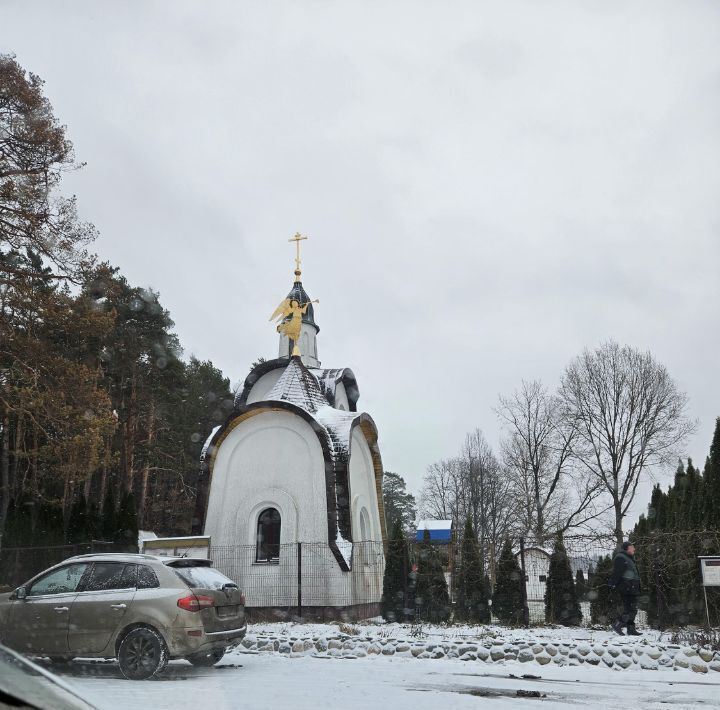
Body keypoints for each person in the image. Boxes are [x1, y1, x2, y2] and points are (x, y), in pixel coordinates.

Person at [608, 541, 641, 636]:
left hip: (632, 587)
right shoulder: (621, 558)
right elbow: (617, 572)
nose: (634, 549)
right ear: (627, 548)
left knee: (631, 609)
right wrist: (613, 583)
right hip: (627, 587)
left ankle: (631, 629)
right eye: (632, 547)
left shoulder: (630, 558)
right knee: (631, 609)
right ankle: (617, 624)